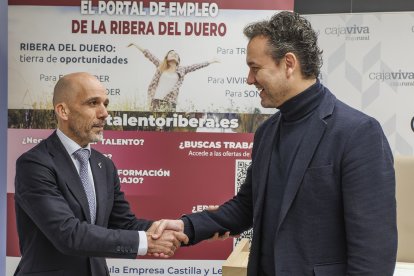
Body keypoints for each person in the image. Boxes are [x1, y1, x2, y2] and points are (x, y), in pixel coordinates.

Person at [152, 11, 398, 275]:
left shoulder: (358, 133)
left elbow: (373, 256)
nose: (249, 79)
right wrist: (187, 226)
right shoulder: (267, 132)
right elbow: (245, 207)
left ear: (289, 63)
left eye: (255, 68)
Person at [13, 72, 188, 276]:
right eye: (93, 103)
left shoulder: (104, 165)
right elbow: (68, 233)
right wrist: (145, 242)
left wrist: (174, 229)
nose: (104, 113)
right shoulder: (35, 164)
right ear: (63, 110)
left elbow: (124, 224)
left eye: (105, 103)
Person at [128, 43, 218, 112]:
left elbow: (196, 66)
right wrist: (135, 44)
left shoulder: (182, 70)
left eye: (176, 54)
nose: (174, 54)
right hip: (156, 100)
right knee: (154, 128)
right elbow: (148, 54)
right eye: (171, 53)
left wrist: (211, 61)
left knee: (167, 129)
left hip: (170, 102)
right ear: (166, 58)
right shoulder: (161, 66)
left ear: (178, 60)